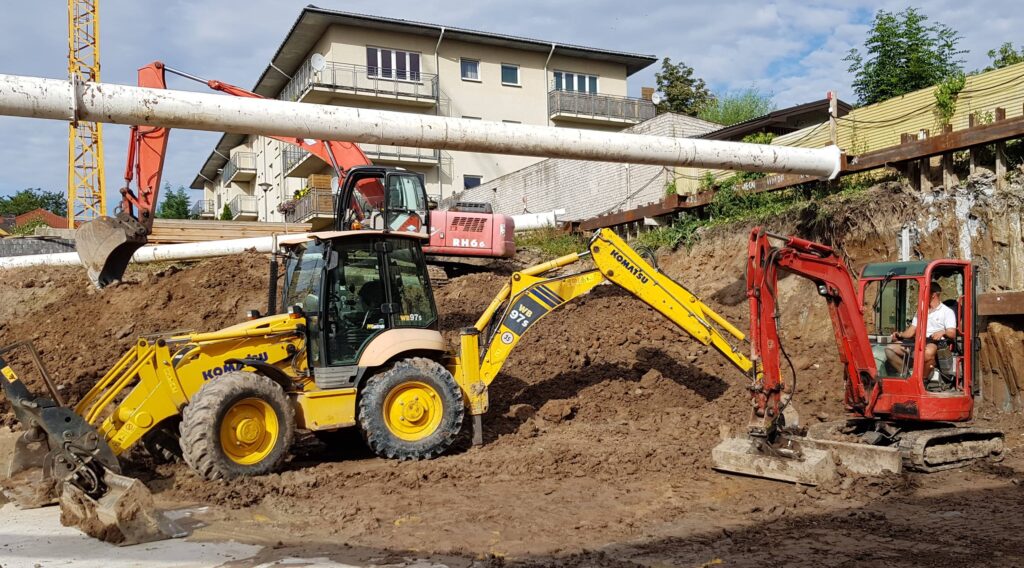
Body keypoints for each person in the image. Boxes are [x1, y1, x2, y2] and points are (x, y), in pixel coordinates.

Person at [884, 282, 957, 381]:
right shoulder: (921, 310)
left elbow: (952, 333)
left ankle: (922, 380)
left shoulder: (947, 312)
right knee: (889, 349)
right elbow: (911, 332)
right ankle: (907, 376)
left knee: (927, 352)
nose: (920, 295)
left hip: (934, 341)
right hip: (918, 341)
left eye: (923, 292)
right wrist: (900, 334)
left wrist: (942, 332)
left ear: (933, 294)